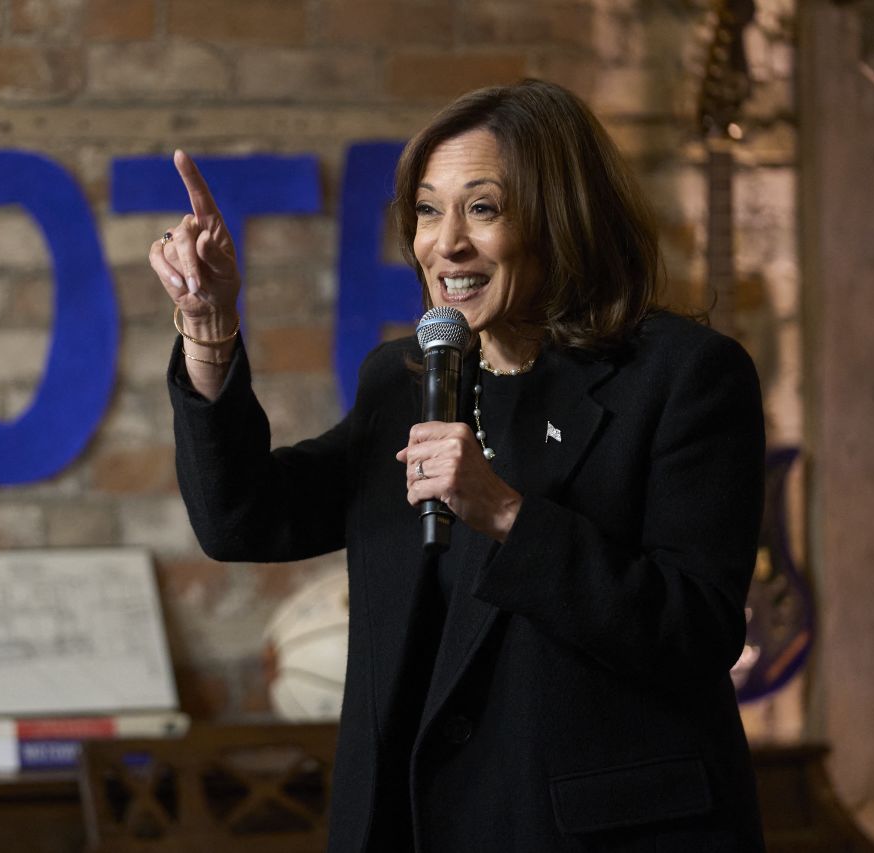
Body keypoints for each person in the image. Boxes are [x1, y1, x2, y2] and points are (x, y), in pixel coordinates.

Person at [151, 79, 766, 851]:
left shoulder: (683, 378)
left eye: (483, 207)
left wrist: (508, 514)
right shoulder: (405, 378)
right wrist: (209, 331)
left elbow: (695, 630)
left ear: (562, 217)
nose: (447, 243)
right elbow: (243, 517)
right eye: (428, 210)